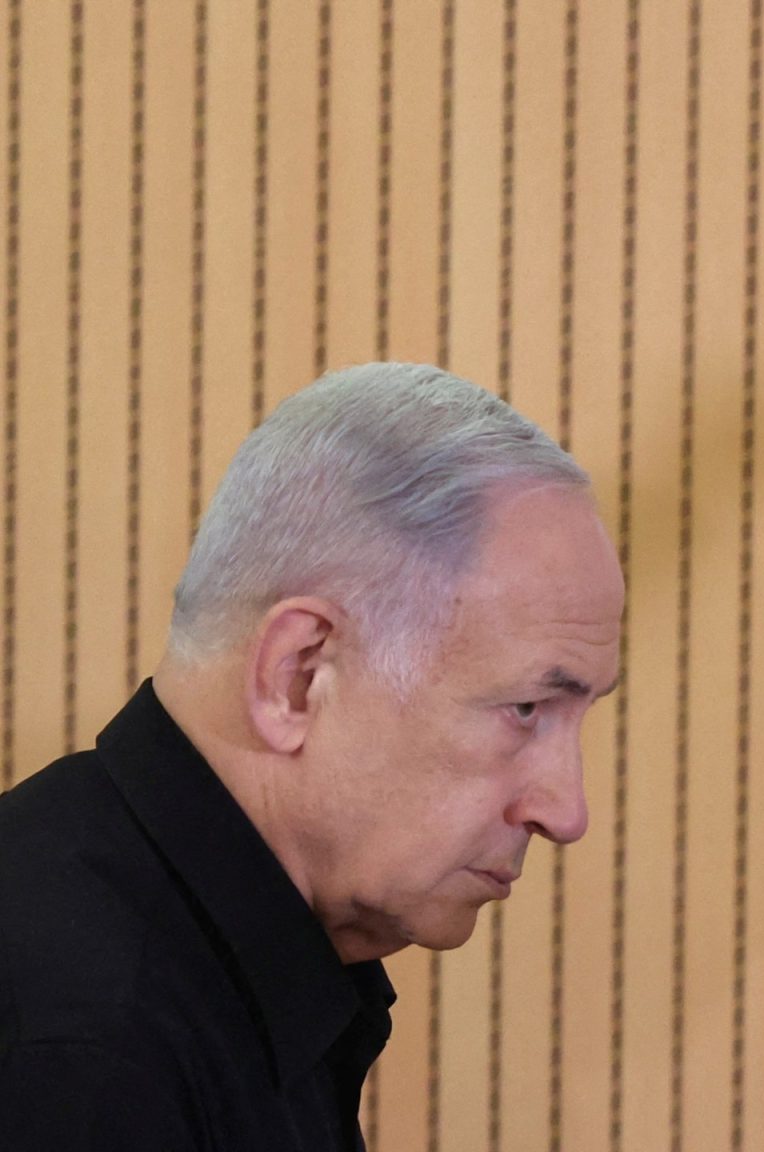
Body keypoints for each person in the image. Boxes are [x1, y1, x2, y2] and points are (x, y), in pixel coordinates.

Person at [0, 363, 624, 1150]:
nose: (567, 812)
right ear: (298, 676)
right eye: (525, 709)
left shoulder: (162, 973)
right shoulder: (86, 1058)